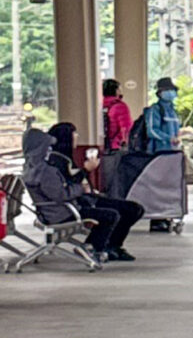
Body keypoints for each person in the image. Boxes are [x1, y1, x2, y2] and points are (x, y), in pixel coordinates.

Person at [25, 121, 142, 262]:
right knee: (117, 213)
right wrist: (85, 174)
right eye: (74, 133)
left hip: (72, 204)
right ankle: (96, 246)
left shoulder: (38, 167)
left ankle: (107, 246)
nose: (77, 136)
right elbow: (62, 192)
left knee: (129, 210)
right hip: (70, 207)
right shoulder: (51, 166)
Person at [131, 77, 182, 153]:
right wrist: (169, 138)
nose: (170, 92)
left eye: (172, 90)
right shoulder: (155, 110)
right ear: (159, 93)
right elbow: (152, 131)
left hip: (173, 150)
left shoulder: (173, 111)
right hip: (158, 152)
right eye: (166, 90)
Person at [101, 78, 133, 152]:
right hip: (116, 146)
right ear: (116, 90)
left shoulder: (100, 105)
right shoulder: (120, 106)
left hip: (103, 145)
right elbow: (126, 127)